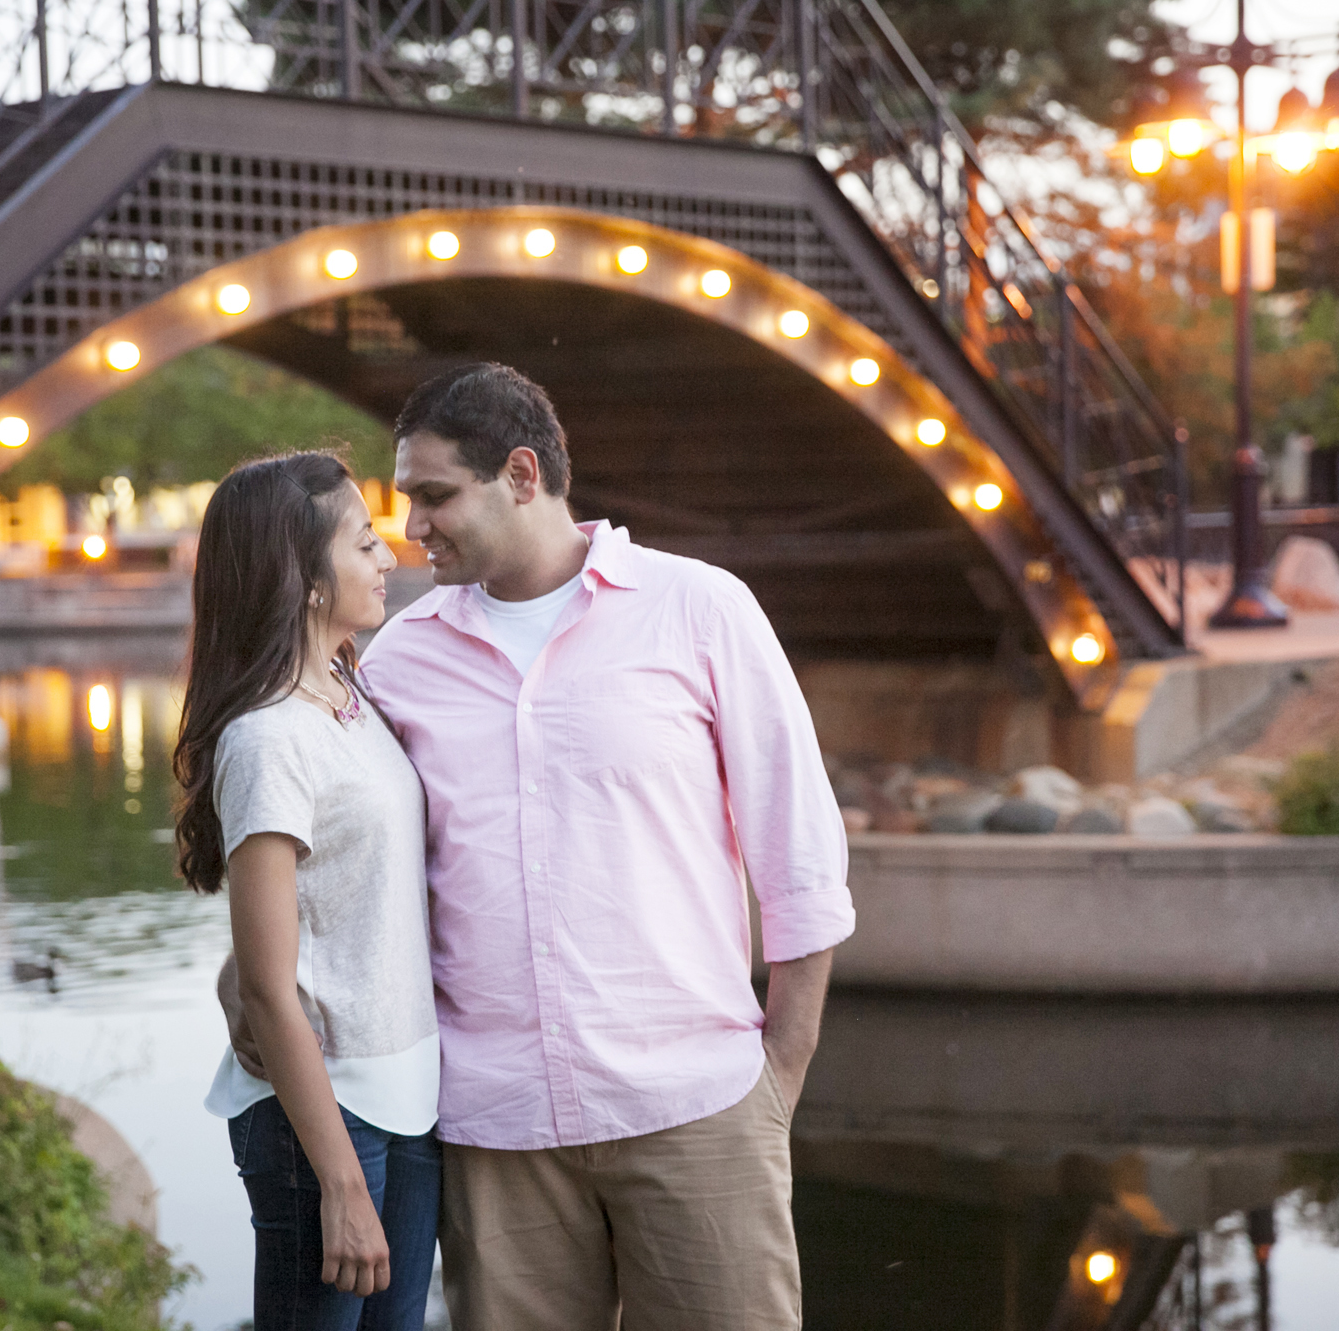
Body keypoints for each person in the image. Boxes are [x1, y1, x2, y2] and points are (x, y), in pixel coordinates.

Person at [359, 362, 855, 1329]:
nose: (411, 527)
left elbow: (798, 850)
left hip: (696, 1106)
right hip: (497, 1134)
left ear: (520, 474)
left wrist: (778, 1076)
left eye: (432, 496)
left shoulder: (699, 607)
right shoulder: (400, 659)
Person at [174, 451, 439, 1331]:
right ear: (304, 577)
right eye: (364, 542)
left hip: (406, 1098)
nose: (387, 555)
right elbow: (267, 985)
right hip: (321, 1121)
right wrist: (340, 1181)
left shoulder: (349, 692)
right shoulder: (268, 739)